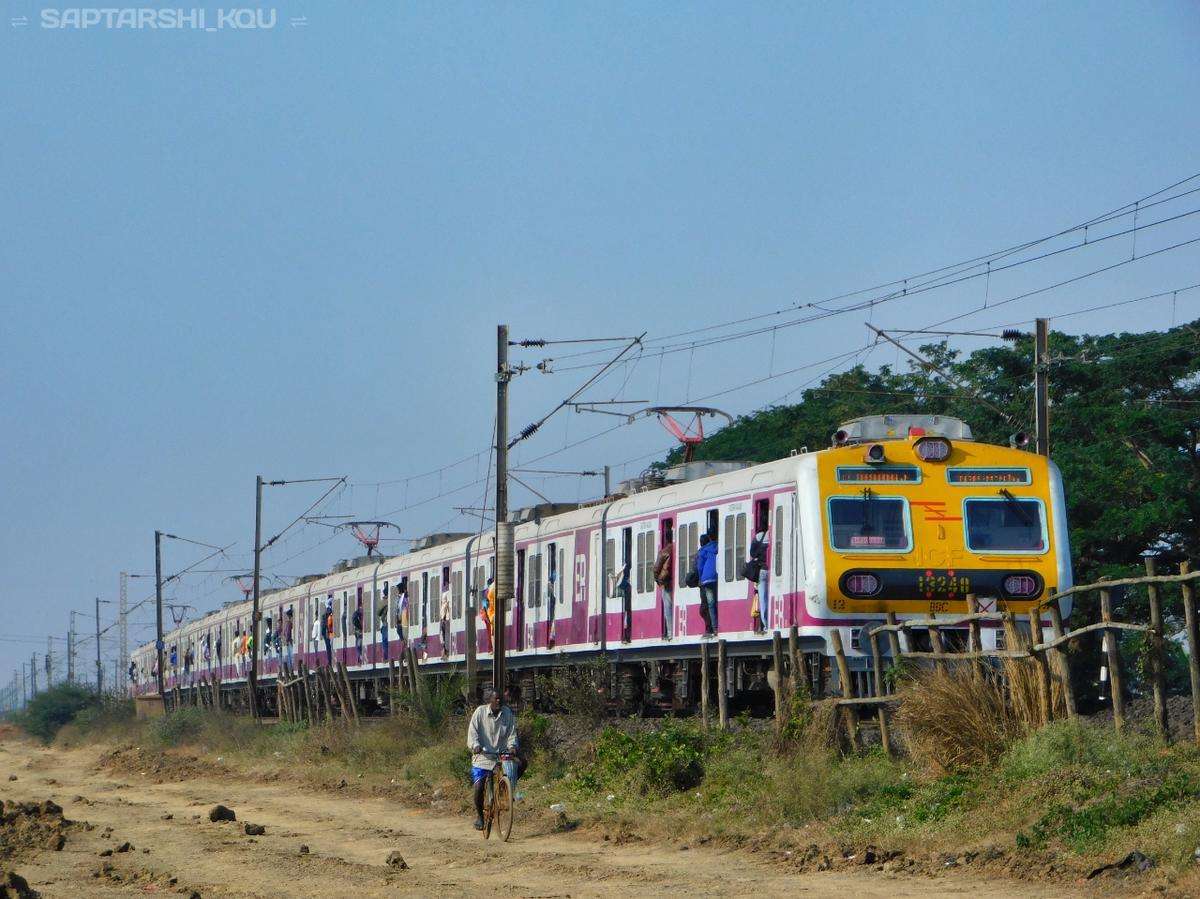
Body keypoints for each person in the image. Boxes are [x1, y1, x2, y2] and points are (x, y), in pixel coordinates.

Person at [466, 688, 518, 831]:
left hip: (500, 755)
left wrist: (512, 747)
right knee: (478, 787)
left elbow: (512, 734)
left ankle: (505, 793)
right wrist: (475, 745)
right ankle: (480, 818)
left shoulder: (507, 713)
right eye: (496, 699)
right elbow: (472, 732)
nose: (499, 701)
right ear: (489, 700)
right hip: (482, 756)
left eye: (500, 699)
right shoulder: (480, 712)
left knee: (520, 764)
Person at [694, 531, 719, 635]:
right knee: (716, 601)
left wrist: (700, 578)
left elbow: (699, 567)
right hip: (717, 577)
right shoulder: (717, 547)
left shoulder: (702, 551)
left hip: (707, 579)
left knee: (711, 604)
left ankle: (715, 627)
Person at [654, 525, 674, 640]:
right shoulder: (677, 548)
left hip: (666, 583)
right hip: (676, 581)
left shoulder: (664, 552)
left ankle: (670, 632)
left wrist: (659, 581)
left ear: (666, 539)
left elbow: (656, 569)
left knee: (668, 607)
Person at [746, 528, 768, 634]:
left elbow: (752, 552)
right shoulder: (777, 530)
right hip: (773, 570)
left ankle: (766, 625)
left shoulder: (760, 536)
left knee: (763, 598)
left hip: (762, 571)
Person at [439, 583, 452, 657]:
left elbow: (444, 607)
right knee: (444, 636)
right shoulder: (447, 594)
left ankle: (445, 651)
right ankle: (445, 651)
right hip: (446, 617)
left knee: (444, 635)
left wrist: (443, 617)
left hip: (445, 618)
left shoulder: (444, 595)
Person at [378, 586, 390, 661]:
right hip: (387, 624)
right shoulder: (391, 600)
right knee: (385, 641)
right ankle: (386, 657)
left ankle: (386, 657)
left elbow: (378, 613)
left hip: (385, 624)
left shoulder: (383, 602)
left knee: (385, 641)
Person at [352, 598, 364, 664]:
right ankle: (360, 656)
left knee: (358, 644)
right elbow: (355, 621)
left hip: (357, 631)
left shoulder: (356, 613)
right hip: (358, 631)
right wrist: (360, 627)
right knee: (359, 644)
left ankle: (360, 656)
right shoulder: (358, 614)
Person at [323, 599, 335, 667]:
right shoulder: (330, 612)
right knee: (330, 646)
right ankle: (330, 661)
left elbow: (325, 625)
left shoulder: (326, 613)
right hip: (330, 632)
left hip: (328, 633)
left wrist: (324, 634)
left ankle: (329, 662)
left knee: (329, 647)